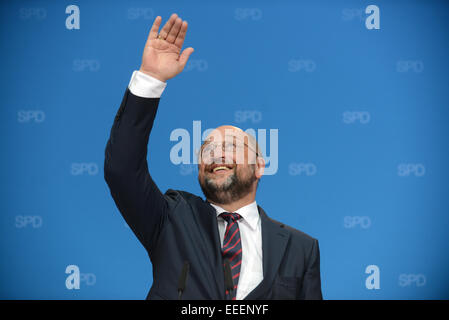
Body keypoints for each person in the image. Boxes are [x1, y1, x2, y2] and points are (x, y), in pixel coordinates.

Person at [104, 13, 322, 300]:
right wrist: (151, 78)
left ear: (259, 166)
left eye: (230, 145)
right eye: (207, 149)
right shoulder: (171, 219)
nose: (216, 154)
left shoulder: (301, 247)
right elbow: (121, 168)